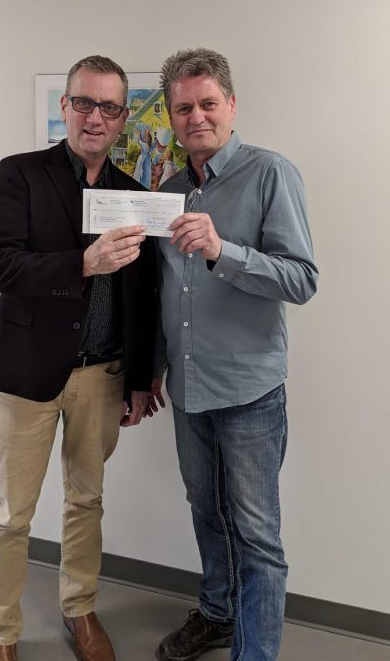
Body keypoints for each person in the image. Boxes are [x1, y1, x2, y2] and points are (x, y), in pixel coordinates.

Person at [0, 55, 157, 661]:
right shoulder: (21, 174)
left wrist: (139, 379)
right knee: (11, 514)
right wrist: (82, 262)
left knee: (86, 502)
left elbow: (142, 298)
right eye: (83, 103)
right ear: (65, 107)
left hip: (103, 376)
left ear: (123, 118)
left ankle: (80, 609)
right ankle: (1, 630)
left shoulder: (136, 195)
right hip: (27, 370)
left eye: (108, 107)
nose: (94, 117)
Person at [151, 48, 318, 661]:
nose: (196, 117)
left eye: (208, 104)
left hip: (250, 391)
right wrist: (152, 372)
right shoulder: (169, 192)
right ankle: (218, 614)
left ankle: (256, 653)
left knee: (258, 535)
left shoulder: (271, 174)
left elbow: (302, 279)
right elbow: (166, 293)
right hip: (188, 388)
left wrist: (224, 251)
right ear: (171, 116)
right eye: (183, 108)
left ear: (231, 105)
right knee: (205, 512)